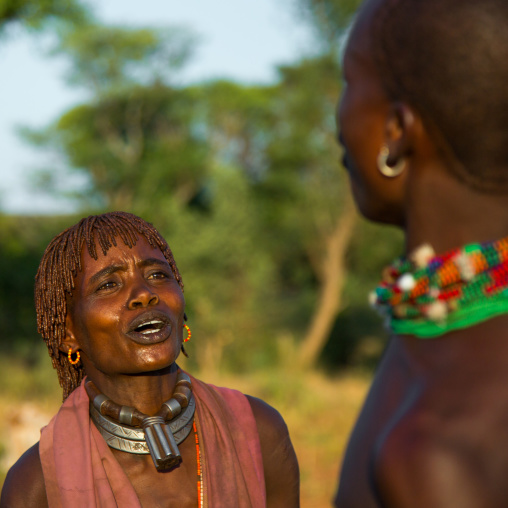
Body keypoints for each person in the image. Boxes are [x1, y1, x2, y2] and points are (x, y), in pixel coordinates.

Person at [0, 211, 300, 508]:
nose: (144, 294)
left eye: (158, 275)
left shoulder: (257, 432)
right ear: (68, 333)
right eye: (108, 285)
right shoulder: (37, 488)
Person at [335, 0, 508, 506]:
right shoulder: (441, 342)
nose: (338, 120)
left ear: (395, 131)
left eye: (349, 84)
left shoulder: (433, 444)